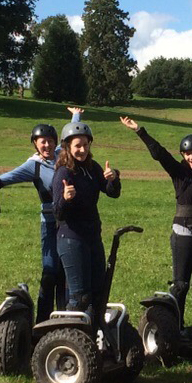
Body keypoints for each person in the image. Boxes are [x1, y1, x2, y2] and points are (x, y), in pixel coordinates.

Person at [120, 98, 192, 326]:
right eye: (187, 154)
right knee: (181, 284)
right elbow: (159, 153)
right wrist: (139, 131)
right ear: (183, 156)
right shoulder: (179, 172)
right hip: (184, 231)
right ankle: (173, 326)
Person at [0, 107, 82, 322]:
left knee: (66, 274)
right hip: (50, 223)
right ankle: (42, 323)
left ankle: (65, 319)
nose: (47, 145)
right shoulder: (33, 165)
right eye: (41, 141)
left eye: (50, 140)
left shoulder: (64, 158)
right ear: (35, 144)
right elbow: (5, 179)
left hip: (70, 222)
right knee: (49, 273)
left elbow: (73, 136)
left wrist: (76, 116)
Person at [51, 121, 121, 320]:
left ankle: (93, 335)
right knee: (80, 296)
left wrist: (113, 178)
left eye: (85, 145)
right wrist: (65, 199)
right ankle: (67, 335)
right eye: (77, 146)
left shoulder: (91, 167)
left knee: (98, 294)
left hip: (92, 237)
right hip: (71, 238)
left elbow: (112, 193)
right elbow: (57, 213)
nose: (82, 150)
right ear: (67, 147)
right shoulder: (63, 173)